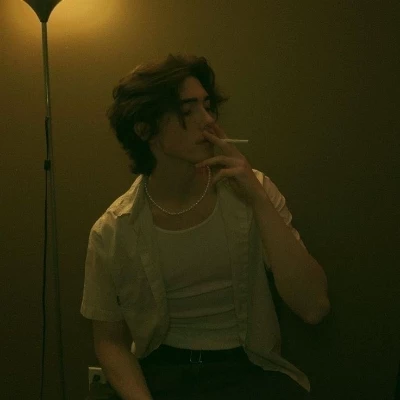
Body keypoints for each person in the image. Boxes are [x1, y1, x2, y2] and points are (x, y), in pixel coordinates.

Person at [81, 54, 331, 400]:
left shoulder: (252, 190)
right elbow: (109, 342)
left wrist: (258, 198)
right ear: (144, 128)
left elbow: (314, 306)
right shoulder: (113, 229)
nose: (208, 120)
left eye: (208, 106)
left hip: (246, 368)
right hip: (162, 370)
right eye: (188, 110)